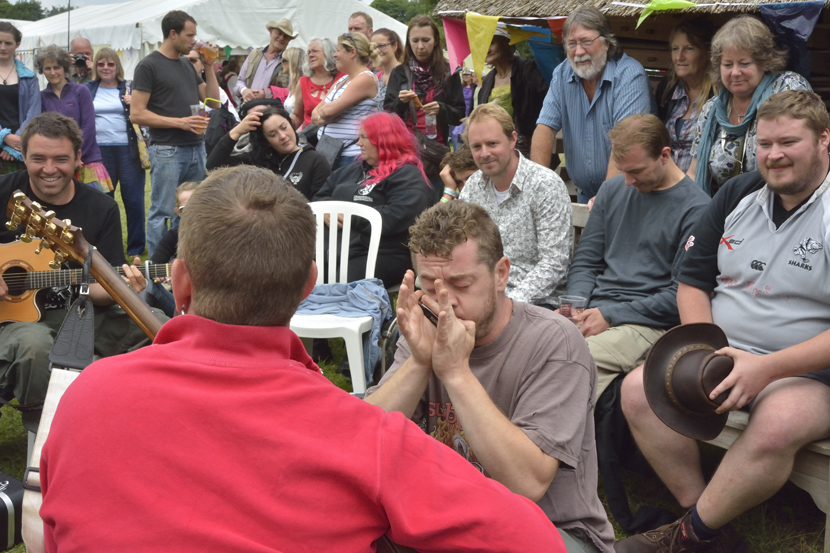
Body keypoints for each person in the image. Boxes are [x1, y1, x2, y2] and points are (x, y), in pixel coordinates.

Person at [38, 164, 566, 553]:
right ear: (309, 288)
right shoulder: (365, 439)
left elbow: (51, 531)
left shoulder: (86, 397)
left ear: (179, 280)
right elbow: (534, 540)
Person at [617, 89, 830, 551]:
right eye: (765, 143)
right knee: (637, 390)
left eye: (788, 142)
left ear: (823, 140)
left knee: (778, 422)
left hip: (806, 373)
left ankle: (686, 535)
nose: (773, 156)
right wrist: (705, 355)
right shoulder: (738, 191)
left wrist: (767, 368)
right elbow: (692, 280)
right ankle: (707, 525)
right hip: (725, 356)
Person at [365, 200, 616, 553]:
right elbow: (363, 442)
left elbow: (526, 483)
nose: (444, 300)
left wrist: (455, 372)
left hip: (551, 530)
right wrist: (419, 362)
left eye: (460, 283)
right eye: (431, 284)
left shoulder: (555, 342)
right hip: (452, 515)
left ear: (501, 274)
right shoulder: (430, 326)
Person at [0, 112, 149, 430]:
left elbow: (98, 291)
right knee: (35, 347)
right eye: (38, 158)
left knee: (158, 328)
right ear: (22, 155)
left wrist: (121, 290)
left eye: (61, 159)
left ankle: (138, 425)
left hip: (79, 311)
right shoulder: (3, 193)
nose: (49, 169)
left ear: (79, 158)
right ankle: (45, 436)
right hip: (11, 320)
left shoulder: (101, 208)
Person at [566, 114, 709, 400]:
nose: (628, 181)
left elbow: (679, 296)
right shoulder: (612, 189)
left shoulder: (697, 209)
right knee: (531, 348)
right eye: (622, 170)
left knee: (571, 364)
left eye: (637, 171)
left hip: (646, 324)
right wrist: (576, 304)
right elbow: (586, 261)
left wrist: (611, 314)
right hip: (595, 311)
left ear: (665, 155)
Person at [531, 6, 655, 203]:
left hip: (630, 196)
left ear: (607, 43)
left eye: (586, 42)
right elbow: (544, 128)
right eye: (571, 44)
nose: (578, 51)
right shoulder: (563, 74)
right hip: (585, 195)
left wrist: (605, 198)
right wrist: (536, 188)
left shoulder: (629, 75)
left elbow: (627, 141)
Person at [458, 103, 572, 308]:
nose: (484, 153)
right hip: (483, 297)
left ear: (512, 139)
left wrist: (507, 304)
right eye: (477, 146)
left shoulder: (544, 185)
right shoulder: (472, 187)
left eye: (492, 144)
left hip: (537, 302)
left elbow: (554, 263)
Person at [130, 10, 221, 257]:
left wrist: (210, 67)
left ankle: (186, 261)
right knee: (163, 212)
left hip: (196, 147)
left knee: (193, 209)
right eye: (189, 35)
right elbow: (136, 114)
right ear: (173, 34)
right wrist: (179, 123)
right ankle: (159, 271)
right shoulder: (148, 65)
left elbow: (213, 102)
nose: (194, 40)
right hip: (167, 149)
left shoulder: (186, 65)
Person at [689, 15, 812, 197]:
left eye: (744, 63)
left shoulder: (788, 87)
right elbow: (693, 173)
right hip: (726, 212)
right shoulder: (712, 109)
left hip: (784, 203)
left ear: (764, 61)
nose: (735, 72)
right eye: (727, 65)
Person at [312, 111, 432, 288]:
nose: (358, 143)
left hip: (380, 253)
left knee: (336, 284)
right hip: (332, 250)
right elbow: (319, 199)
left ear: (383, 140)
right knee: (297, 275)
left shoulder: (408, 175)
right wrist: (326, 213)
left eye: (364, 137)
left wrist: (350, 216)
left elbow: (398, 216)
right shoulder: (348, 172)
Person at [86, 47, 146, 256]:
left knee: (134, 201)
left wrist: (135, 103)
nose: (105, 68)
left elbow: (149, 110)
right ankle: (105, 246)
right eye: (101, 64)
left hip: (129, 151)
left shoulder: (130, 87)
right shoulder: (87, 88)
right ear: (95, 66)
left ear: (117, 66)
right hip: (99, 152)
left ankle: (136, 249)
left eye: (110, 64)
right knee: (104, 201)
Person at [207, 105, 331, 200]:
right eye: (272, 134)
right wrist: (236, 132)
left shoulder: (316, 160)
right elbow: (214, 167)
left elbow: (320, 203)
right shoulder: (259, 160)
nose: (282, 136)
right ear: (266, 141)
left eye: (284, 127)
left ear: (291, 125)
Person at [37, 44, 112, 193]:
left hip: (87, 159)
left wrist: (76, 156)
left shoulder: (81, 91)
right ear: (42, 70)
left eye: (56, 67)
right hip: (58, 163)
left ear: (65, 68)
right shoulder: (41, 97)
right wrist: (64, 158)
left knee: (94, 207)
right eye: (48, 68)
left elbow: (89, 128)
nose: (52, 72)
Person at [384, 16, 465, 148]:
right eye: (415, 41)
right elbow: (387, 114)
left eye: (426, 40)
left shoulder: (449, 73)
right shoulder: (399, 72)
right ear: (408, 42)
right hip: (404, 147)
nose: (420, 46)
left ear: (436, 42)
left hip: (436, 148)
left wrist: (441, 109)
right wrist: (401, 102)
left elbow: (459, 115)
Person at [477, 22, 548, 157]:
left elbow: (547, 103)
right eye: (482, 44)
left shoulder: (528, 70)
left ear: (505, 43)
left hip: (530, 152)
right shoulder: (487, 81)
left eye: (491, 43)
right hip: (498, 154)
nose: (486, 49)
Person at [655, 20, 716, 174]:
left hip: (702, 188)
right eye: (675, 49)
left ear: (708, 53)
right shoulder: (667, 93)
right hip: (665, 184)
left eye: (689, 49)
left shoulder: (718, 96)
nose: (679, 57)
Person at [311, 32, 379, 170]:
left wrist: (324, 115)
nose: (334, 55)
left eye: (338, 50)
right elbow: (315, 114)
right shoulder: (342, 80)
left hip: (349, 155)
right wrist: (324, 119)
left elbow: (326, 110)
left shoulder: (365, 78)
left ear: (352, 52)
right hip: (330, 151)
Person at [0, 21, 40, 174]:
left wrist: (15, 143)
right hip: (8, 143)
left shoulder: (29, 78)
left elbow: (33, 113)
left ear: (17, 44)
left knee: (21, 196)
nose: (3, 47)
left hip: (20, 147)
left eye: (8, 43)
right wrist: (4, 138)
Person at [234, 19, 295, 104]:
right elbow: (240, 81)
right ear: (271, 33)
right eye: (279, 33)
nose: (281, 38)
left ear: (289, 41)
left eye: (286, 36)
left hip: (273, 114)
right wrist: (244, 90)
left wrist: (267, 94)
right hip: (248, 110)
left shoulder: (290, 63)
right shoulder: (254, 54)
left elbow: (292, 93)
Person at [293, 38, 342, 130]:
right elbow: (297, 116)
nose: (311, 55)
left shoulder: (344, 77)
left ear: (329, 53)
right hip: (311, 140)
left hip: (338, 137)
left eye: (314, 51)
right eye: (309, 53)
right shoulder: (303, 82)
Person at [184, 48, 239, 120]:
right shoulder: (178, 90)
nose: (189, 64)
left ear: (202, 65)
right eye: (184, 61)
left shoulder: (216, 91)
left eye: (193, 60)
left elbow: (234, 118)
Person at [371, 28, 403, 112]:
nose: (377, 51)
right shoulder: (376, 77)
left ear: (395, 46)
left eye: (381, 46)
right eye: (374, 47)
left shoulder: (404, 73)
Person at [280, 47, 305, 117]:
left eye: (284, 60)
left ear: (292, 62)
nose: (281, 63)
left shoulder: (304, 85)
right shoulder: (293, 85)